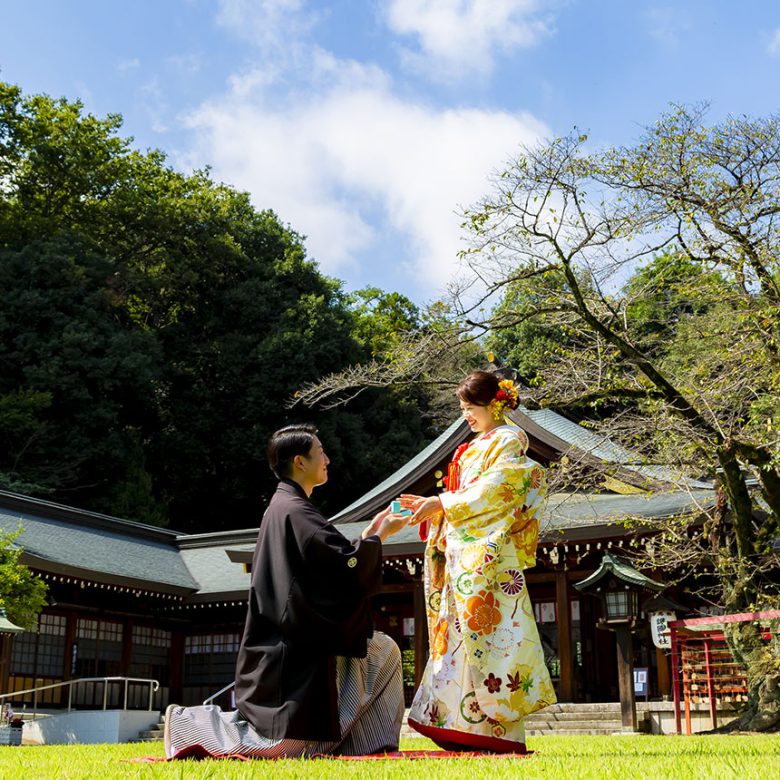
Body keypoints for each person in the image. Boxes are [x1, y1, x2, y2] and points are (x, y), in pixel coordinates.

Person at [165, 424, 408, 759]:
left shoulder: (288, 507)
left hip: (295, 634)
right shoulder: (294, 509)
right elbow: (341, 566)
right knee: (281, 747)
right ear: (300, 461)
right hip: (292, 644)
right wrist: (376, 540)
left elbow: (330, 559)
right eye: (320, 452)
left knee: (381, 650)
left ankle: (366, 742)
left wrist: (369, 537)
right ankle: (187, 725)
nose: (328, 459)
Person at [400, 371, 556, 753]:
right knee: (456, 638)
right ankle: (453, 722)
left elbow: (499, 488)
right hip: (463, 553)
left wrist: (442, 503)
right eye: (463, 409)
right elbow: (468, 494)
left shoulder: (509, 440)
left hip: (487, 557)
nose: (466, 416)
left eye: (471, 409)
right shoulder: (473, 446)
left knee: (491, 639)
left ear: (495, 405)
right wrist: (436, 512)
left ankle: (492, 730)